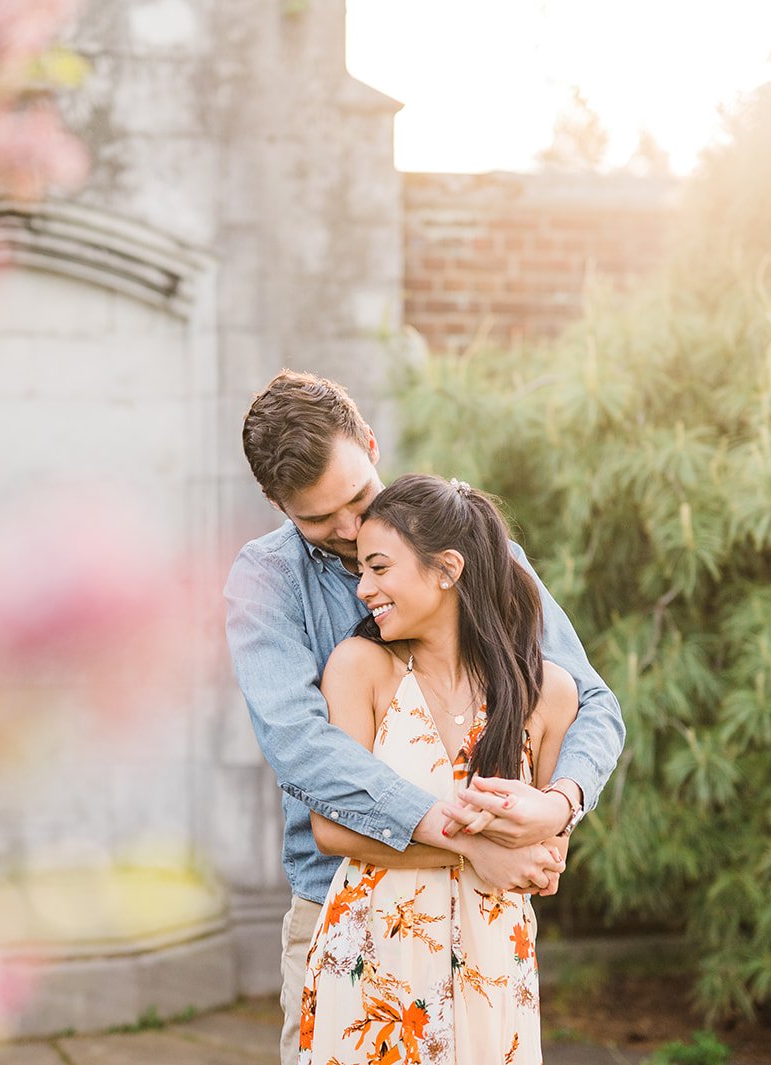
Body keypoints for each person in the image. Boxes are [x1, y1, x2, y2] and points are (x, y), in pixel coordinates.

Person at [223, 370, 624, 1065]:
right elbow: (308, 755)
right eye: (320, 520)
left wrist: (556, 807)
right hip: (344, 908)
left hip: (488, 918)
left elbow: (589, 702)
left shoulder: (473, 547)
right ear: (276, 503)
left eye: (356, 497)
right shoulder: (266, 582)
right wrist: (472, 843)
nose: (348, 532)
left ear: (372, 443)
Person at [300, 473, 573, 1064]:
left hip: (493, 962)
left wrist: (530, 852)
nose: (362, 588)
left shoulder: (546, 692)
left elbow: (546, 858)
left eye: (379, 568)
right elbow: (332, 829)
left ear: (447, 568)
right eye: (361, 572)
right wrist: (475, 850)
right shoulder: (359, 669)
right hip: (374, 965)